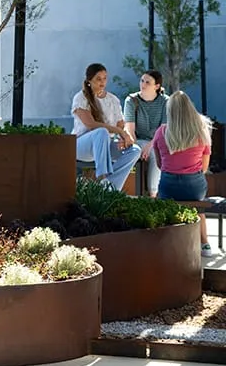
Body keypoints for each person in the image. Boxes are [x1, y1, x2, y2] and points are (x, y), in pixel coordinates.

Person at [152, 91, 218, 257]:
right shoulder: (201, 131)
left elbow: (160, 165)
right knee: (198, 205)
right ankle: (205, 245)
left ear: (170, 111)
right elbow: (204, 168)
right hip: (194, 185)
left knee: (163, 200)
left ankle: (163, 243)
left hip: (169, 184)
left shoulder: (161, 132)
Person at [71, 63, 141, 192]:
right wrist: (119, 131)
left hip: (105, 145)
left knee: (135, 150)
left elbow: (121, 124)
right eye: (98, 78)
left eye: (104, 78)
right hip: (81, 146)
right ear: (89, 81)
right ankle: (103, 175)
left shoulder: (113, 100)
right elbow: (91, 125)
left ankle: (108, 186)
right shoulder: (80, 98)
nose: (102, 82)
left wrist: (122, 138)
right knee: (101, 132)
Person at [123, 70, 169, 197]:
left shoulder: (165, 101)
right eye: (142, 80)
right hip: (138, 140)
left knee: (156, 152)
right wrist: (135, 146)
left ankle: (153, 195)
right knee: (132, 151)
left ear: (157, 86)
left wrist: (151, 145)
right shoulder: (131, 100)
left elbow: (163, 129)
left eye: (148, 82)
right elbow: (129, 129)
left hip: (157, 141)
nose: (143, 84)